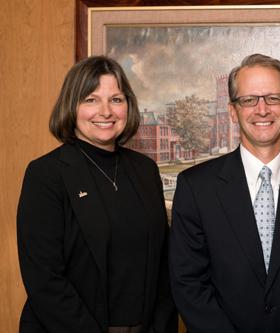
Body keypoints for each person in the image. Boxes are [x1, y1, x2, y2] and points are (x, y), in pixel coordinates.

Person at [169, 54, 280, 333]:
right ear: (232, 111)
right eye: (249, 100)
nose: (262, 109)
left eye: (273, 98)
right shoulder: (196, 187)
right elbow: (188, 282)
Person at [17, 56, 178, 333]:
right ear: (72, 106)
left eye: (116, 99)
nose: (105, 111)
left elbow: (164, 265)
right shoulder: (46, 174)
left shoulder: (145, 170)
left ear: (128, 105)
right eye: (91, 100)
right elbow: (44, 278)